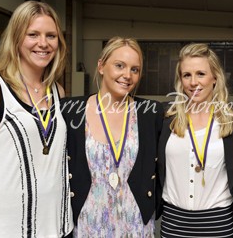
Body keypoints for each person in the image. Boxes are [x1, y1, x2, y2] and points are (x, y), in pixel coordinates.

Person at [0, 0, 73, 237]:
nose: (43, 43)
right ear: (16, 38)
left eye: (51, 36)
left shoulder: (57, 92)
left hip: (56, 228)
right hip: (4, 230)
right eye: (33, 34)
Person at [61, 36, 164, 237]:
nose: (127, 75)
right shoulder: (71, 111)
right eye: (119, 66)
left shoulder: (150, 113)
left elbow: (163, 167)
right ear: (101, 66)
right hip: (89, 224)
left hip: (135, 225)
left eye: (134, 69)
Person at [156, 43, 233, 238]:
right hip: (173, 225)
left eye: (201, 74)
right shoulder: (165, 118)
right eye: (187, 75)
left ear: (215, 77)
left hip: (218, 226)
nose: (193, 82)